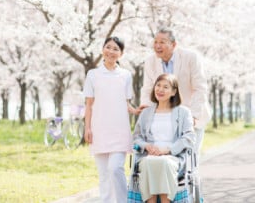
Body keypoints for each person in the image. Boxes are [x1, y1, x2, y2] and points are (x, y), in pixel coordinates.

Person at [139, 27, 211, 160]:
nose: (157, 46)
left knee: (189, 157)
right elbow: (148, 88)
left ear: (174, 44)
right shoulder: (150, 61)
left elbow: (200, 88)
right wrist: (145, 107)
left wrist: (193, 115)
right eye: (155, 42)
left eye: (162, 42)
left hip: (191, 113)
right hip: (165, 117)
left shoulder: (190, 57)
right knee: (166, 156)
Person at [83, 36, 136, 203]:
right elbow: (89, 105)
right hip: (99, 130)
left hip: (120, 130)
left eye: (116, 49)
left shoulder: (126, 75)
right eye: (108, 47)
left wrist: (136, 110)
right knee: (104, 175)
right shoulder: (92, 75)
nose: (111, 51)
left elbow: (126, 103)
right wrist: (87, 128)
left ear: (121, 54)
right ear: (102, 49)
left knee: (115, 168)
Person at [133, 73, 196, 203]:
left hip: (173, 155)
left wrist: (167, 150)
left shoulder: (183, 112)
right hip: (149, 155)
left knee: (164, 162)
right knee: (149, 162)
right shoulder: (146, 113)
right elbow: (136, 137)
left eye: (165, 87)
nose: (160, 89)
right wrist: (147, 146)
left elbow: (189, 137)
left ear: (174, 92)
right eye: (158, 85)